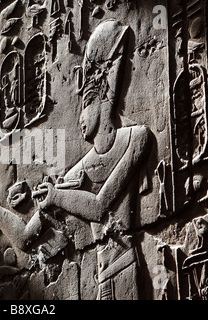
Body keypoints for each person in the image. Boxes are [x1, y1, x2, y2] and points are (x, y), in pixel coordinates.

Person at [33, 20, 151, 300]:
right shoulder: (82, 167)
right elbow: (38, 225)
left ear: (101, 102)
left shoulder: (136, 139)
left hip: (123, 266)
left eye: (84, 107)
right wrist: (45, 200)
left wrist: (57, 197)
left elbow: (100, 208)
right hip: (100, 276)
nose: (79, 120)